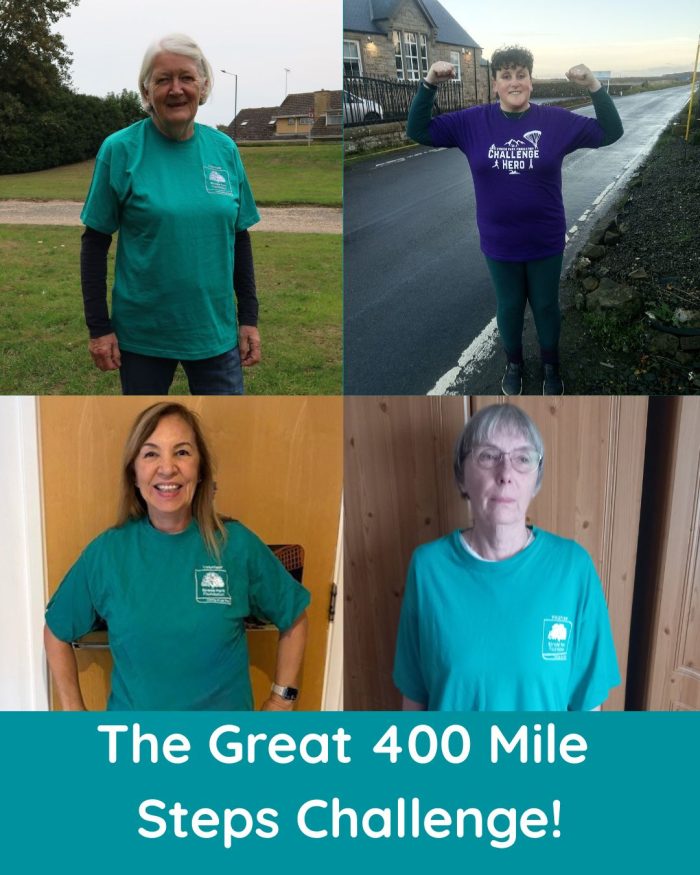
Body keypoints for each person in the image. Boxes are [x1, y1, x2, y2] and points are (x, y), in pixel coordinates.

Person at [44, 402, 309, 710]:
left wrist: (281, 701)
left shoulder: (236, 544)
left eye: (182, 452)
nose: (167, 468)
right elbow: (56, 631)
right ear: (134, 473)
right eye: (151, 454)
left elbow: (295, 616)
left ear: (200, 470)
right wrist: (74, 716)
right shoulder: (107, 553)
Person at [406, 46, 624, 396]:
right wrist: (430, 82)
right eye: (505, 76)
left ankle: (551, 365)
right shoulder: (472, 122)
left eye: (521, 75)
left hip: (544, 240)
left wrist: (594, 85)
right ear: (494, 84)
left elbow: (610, 132)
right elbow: (418, 130)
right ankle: (514, 364)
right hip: (499, 243)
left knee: (546, 306)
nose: (514, 82)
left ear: (531, 82)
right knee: (508, 307)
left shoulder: (555, 122)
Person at [393, 403, 620, 711]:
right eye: (488, 456)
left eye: (522, 459)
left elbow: (588, 710)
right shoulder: (427, 569)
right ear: (462, 476)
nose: (505, 474)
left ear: (536, 480)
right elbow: (414, 701)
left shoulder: (573, 570)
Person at [80, 34, 261, 395]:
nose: (176, 89)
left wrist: (249, 319)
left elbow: (239, 237)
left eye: (186, 78)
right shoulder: (120, 150)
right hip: (143, 337)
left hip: (215, 334)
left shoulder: (224, 150)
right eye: (163, 79)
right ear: (146, 91)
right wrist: (99, 328)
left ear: (203, 86)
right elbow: (95, 243)